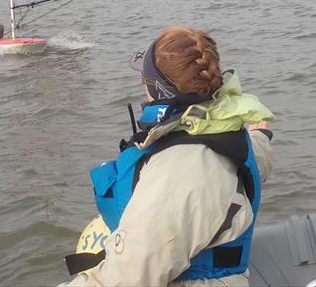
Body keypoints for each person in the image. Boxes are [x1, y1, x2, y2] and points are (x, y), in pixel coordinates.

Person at [60, 27, 275, 287]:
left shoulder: (179, 171)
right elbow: (251, 163)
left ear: (156, 91)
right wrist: (261, 138)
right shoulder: (222, 128)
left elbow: (127, 278)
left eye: (144, 81)